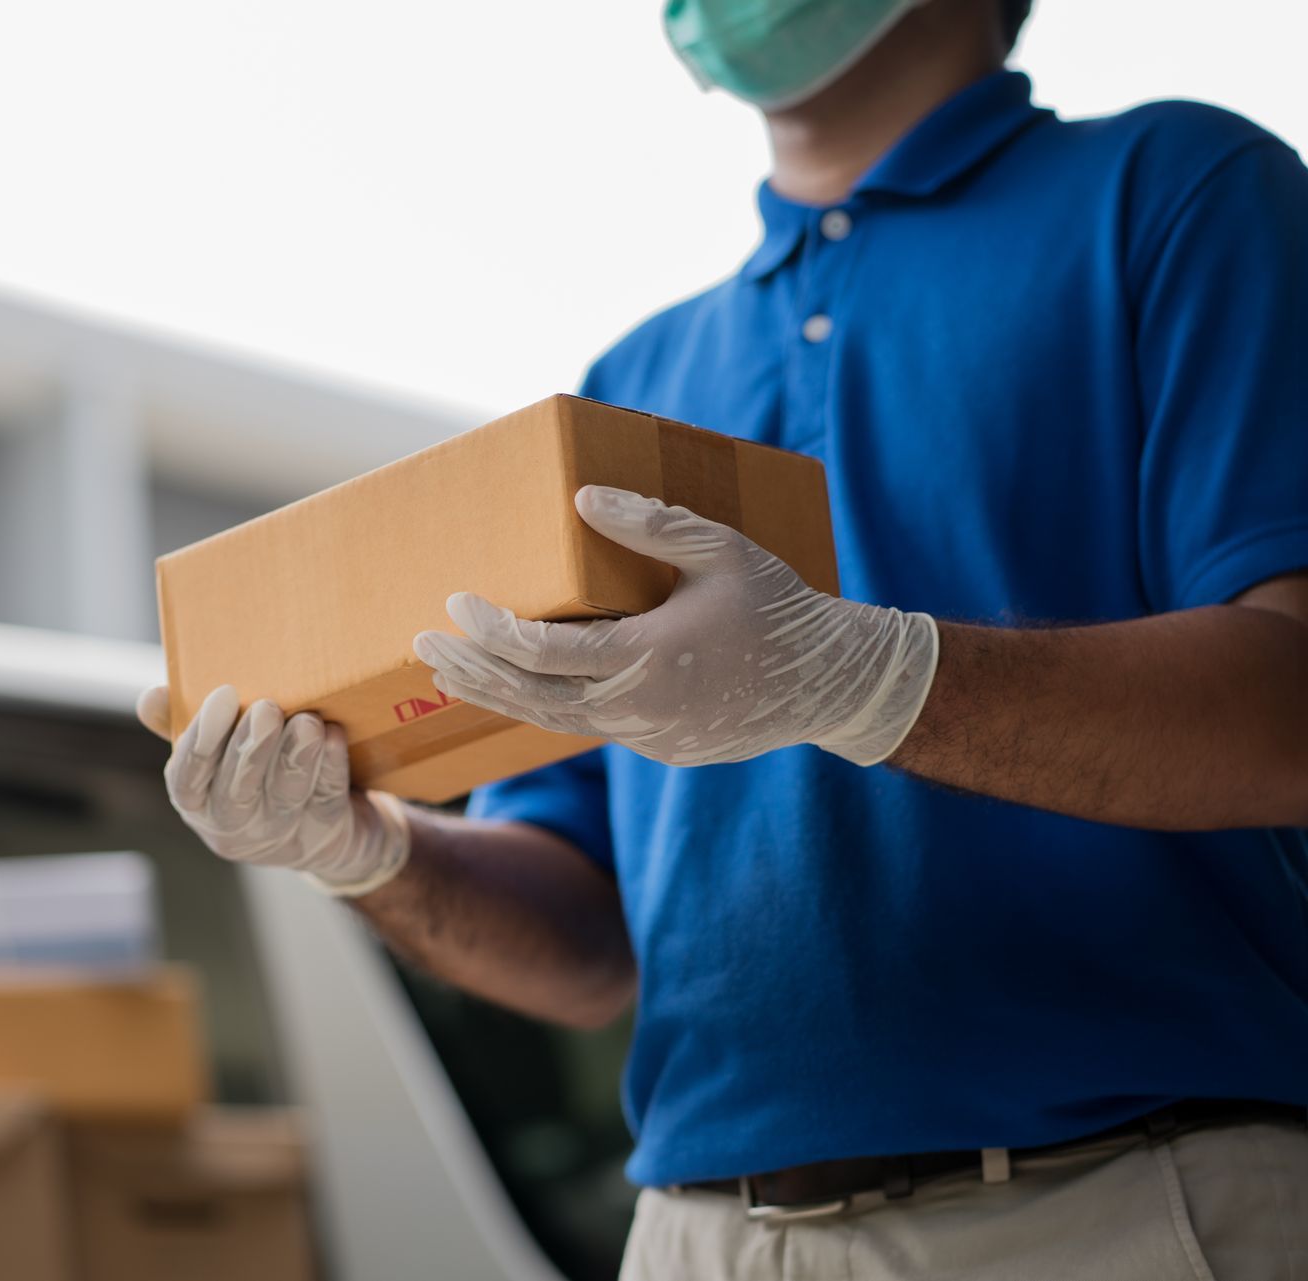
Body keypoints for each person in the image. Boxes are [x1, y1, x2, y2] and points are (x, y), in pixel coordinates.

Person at [137, 0, 1308, 1275]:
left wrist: (866, 678)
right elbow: (589, 950)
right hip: (702, 1236)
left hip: (1119, 1206)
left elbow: (1287, 708)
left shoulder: (1178, 193)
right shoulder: (632, 381)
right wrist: (368, 854)